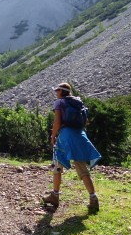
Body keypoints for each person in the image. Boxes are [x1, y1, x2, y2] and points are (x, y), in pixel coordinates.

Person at [43, 82, 101, 212]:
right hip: (80, 135)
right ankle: (93, 198)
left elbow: (57, 121)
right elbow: (85, 121)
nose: (55, 93)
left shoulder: (60, 103)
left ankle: (55, 196)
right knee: (82, 167)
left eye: (57, 90)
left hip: (66, 136)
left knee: (58, 164)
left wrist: (53, 136)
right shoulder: (78, 102)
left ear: (61, 91)